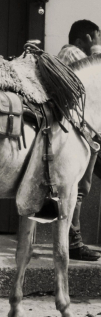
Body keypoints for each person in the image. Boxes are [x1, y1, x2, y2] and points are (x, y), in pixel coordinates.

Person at [57, 19, 101, 262]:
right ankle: (73, 243)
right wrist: (96, 50)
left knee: (79, 188)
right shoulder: (72, 53)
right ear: (81, 40)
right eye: (96, 38)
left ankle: (73, 240)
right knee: (79, 188)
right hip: (77, 133)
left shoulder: (68, 53)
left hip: (80, 132)